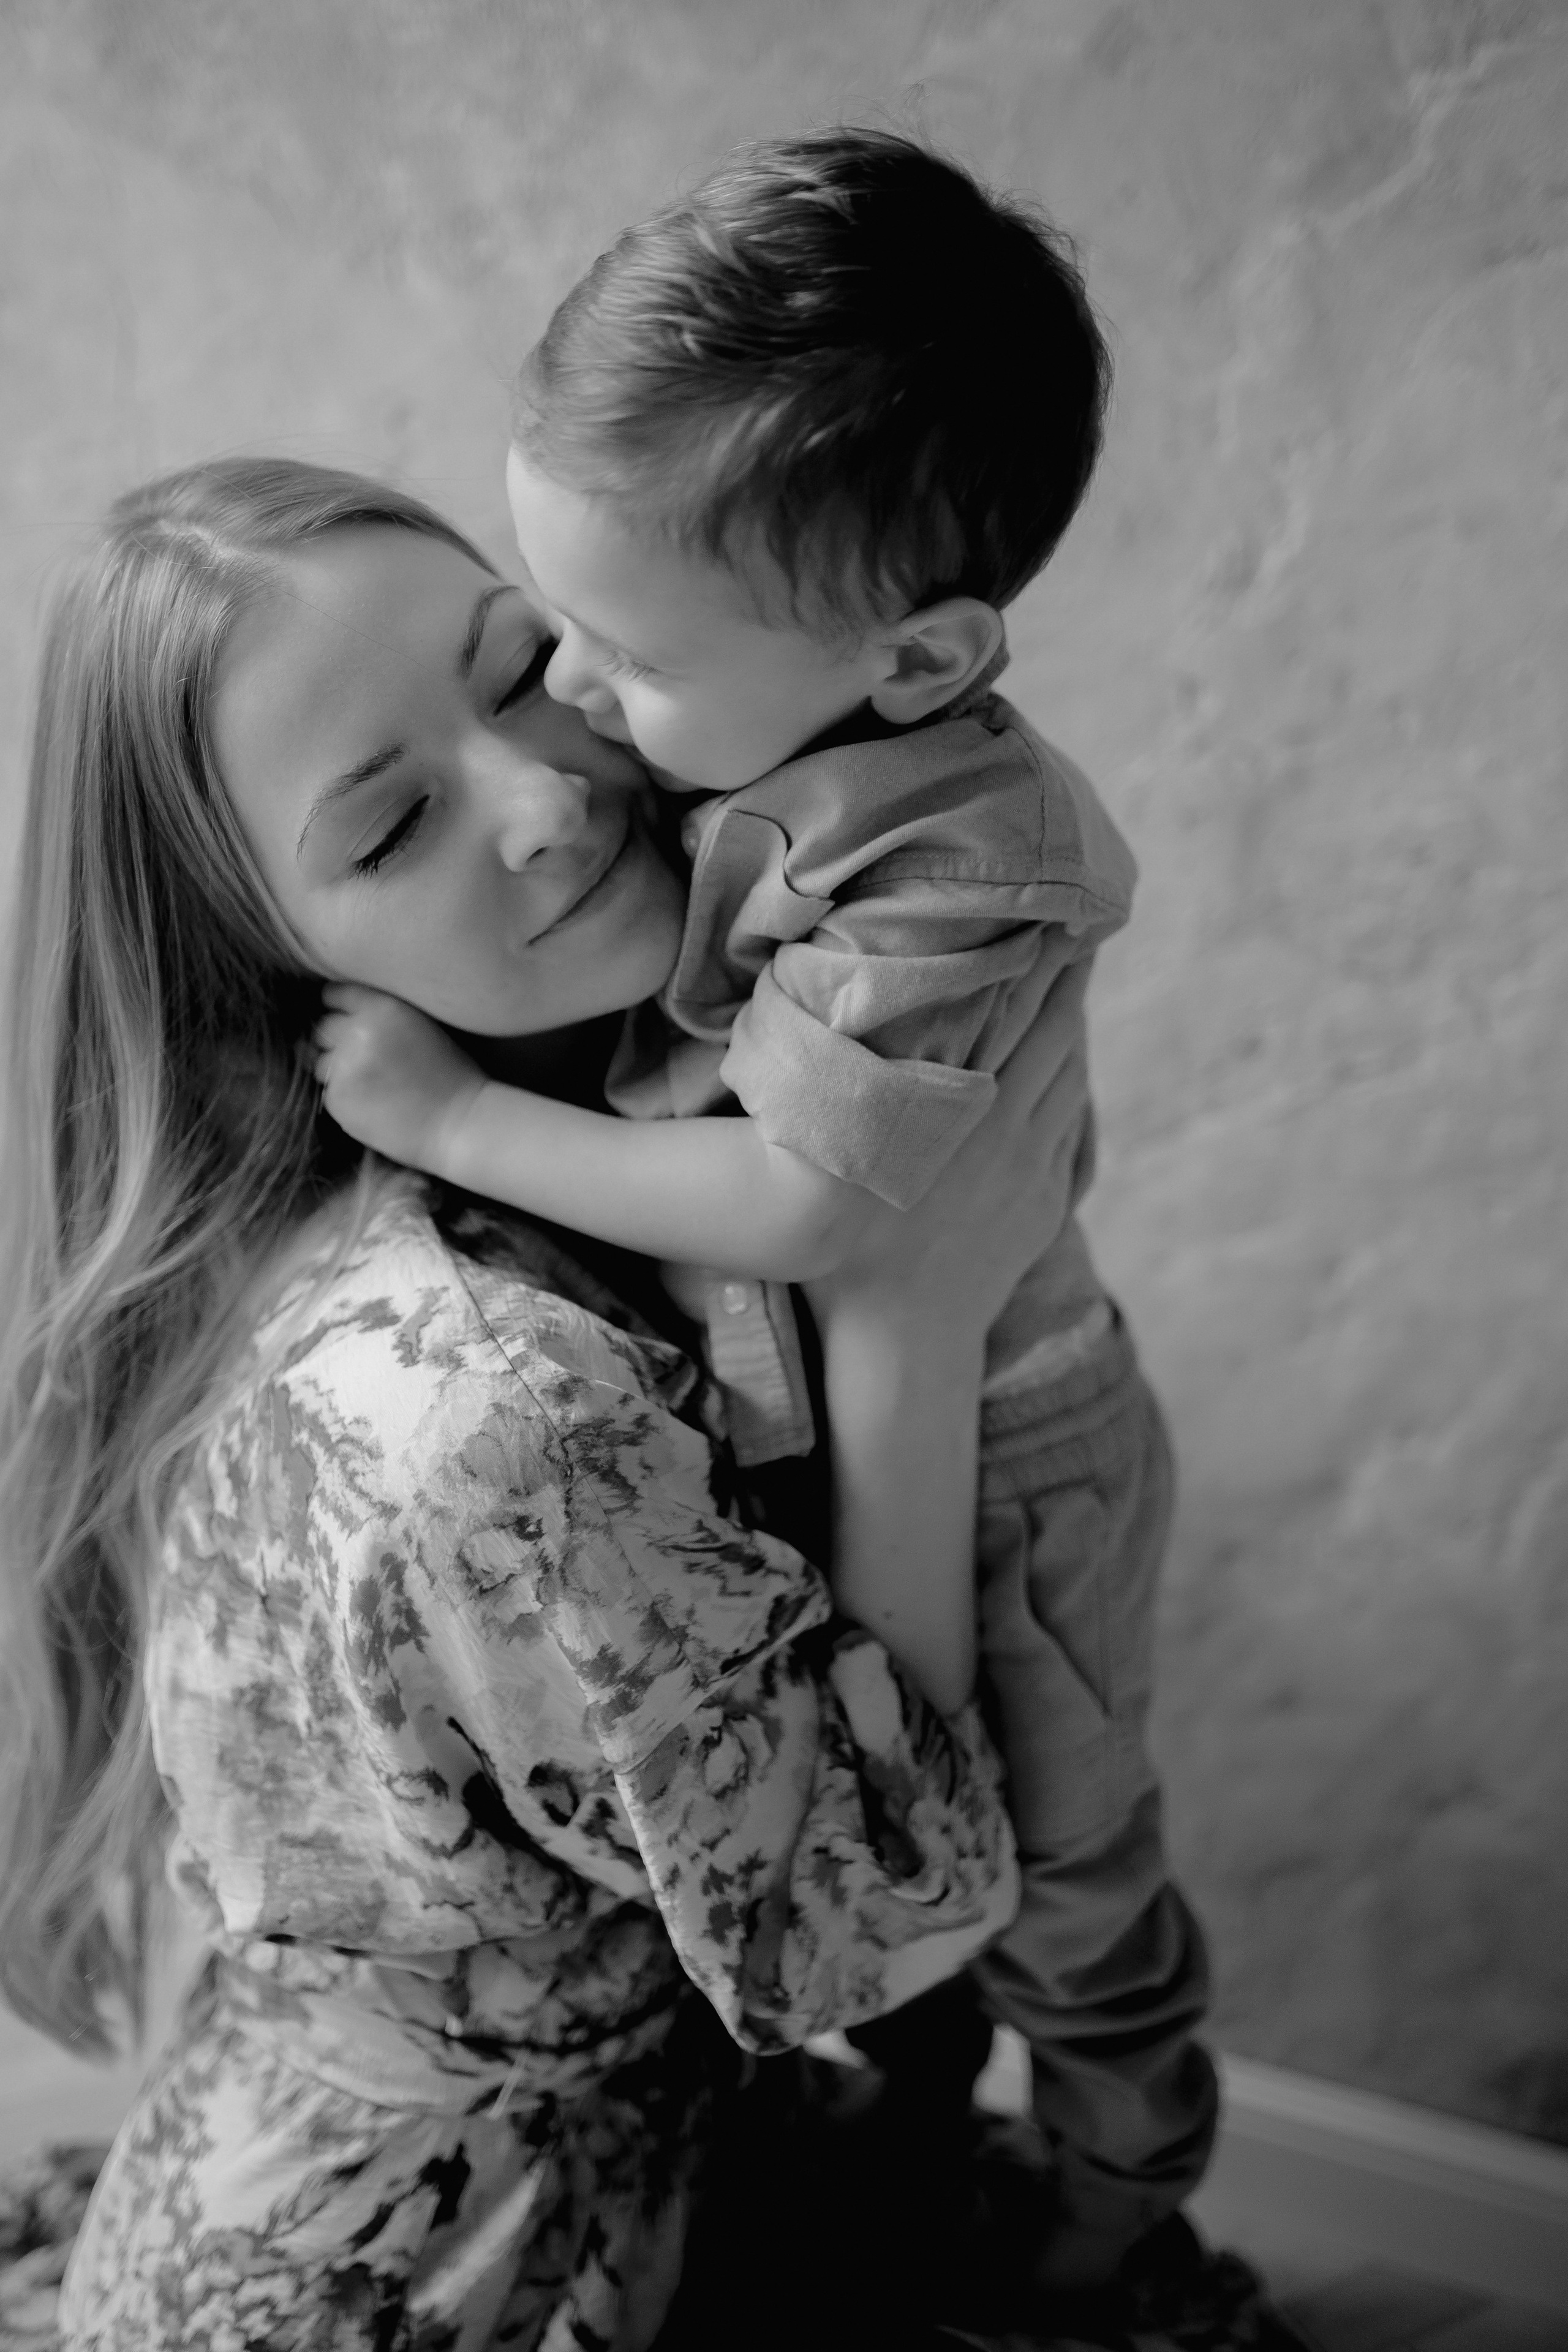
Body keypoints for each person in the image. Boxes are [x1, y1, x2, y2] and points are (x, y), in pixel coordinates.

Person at [305, 129, 1298, 2349]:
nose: (569, 694)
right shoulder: (750, 695)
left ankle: (1116, 2183)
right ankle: (911, 2108)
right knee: (877, 1826)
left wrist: (454, 1112)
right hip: (823, 1386)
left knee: (1054, 1859)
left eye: (622, 659)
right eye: (553, 620)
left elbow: (793, 1198)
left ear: (925, 655)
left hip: (1017, 1455)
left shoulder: (972, 859)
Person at [0, 455, 1097, 2352]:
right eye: (391, 823)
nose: (542, 793)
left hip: (373, 2142)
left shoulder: (436, 1160)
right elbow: (883, 1917)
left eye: (521, 668)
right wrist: (912, 1316)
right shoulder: (501, 1410)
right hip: (455, 2282)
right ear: (269, 950)